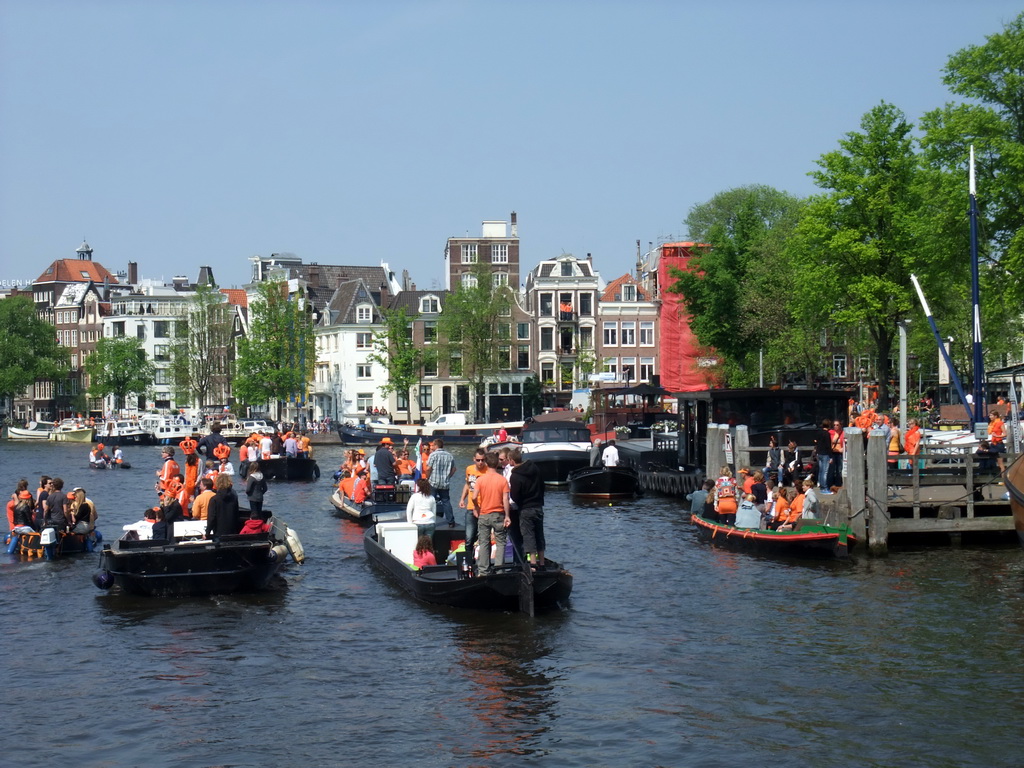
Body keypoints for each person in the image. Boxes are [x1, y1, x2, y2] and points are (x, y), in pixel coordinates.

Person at [471, 451, 511, 576]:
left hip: (484, 513)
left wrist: (477, 507)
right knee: (500, 542)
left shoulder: (481, 480)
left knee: (484, 542)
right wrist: (508, 516)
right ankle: (499, 570)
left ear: (487, 463)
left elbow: (474, 497)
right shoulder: (503, 480)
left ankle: (483, 571)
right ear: (497, 463)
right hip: (499, 514)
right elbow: (506, 499)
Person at [509, 447, 545, 567]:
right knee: (539, 534)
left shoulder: (515, 475)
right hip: (538, 506)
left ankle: (533, 564)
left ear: (512, 461)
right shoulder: (535, 468)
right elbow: (542, 485)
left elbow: (514, 495)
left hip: (525, 508)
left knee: (528, 535)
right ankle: (542, 562)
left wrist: (519, 503)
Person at [458, 448, 489, 571]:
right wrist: (462, 499)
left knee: (483, 538)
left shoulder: (488, 471)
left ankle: (483, 565)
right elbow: (467, 484)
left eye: (482, 460)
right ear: (474, 459)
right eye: (478, 460)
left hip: (484, 508)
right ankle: (469, 564)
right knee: (469, 537)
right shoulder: (469, 469)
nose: (480, 462)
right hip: (471, 507)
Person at [425, 438, 456, 527]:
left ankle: (429, 520)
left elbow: (428, 468)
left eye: (432, 445)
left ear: (435, 445)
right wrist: (448, 476)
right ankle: (451, 521)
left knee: (431, 501)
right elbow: (454, 469)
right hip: (444, 483)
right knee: (446, 502)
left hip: (433, 482)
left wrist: (427, 478)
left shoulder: (433, 455)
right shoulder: (450, 455)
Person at [206, 473, 240, 538]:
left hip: (219, 533)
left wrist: (207, 533)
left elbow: (211, 518)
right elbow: (236, 515)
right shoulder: (234, 498)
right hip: (232, 531)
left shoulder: (214, 499)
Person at [814, 419, 833, 492]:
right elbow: (828, 446)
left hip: (819, 453)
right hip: (825, 454)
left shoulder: (819, 432)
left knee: (821, 470)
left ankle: (821, 485)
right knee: (825, 472)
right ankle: (824, 487)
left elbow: (816, 441)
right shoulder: (827, 434)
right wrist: (831, 456)